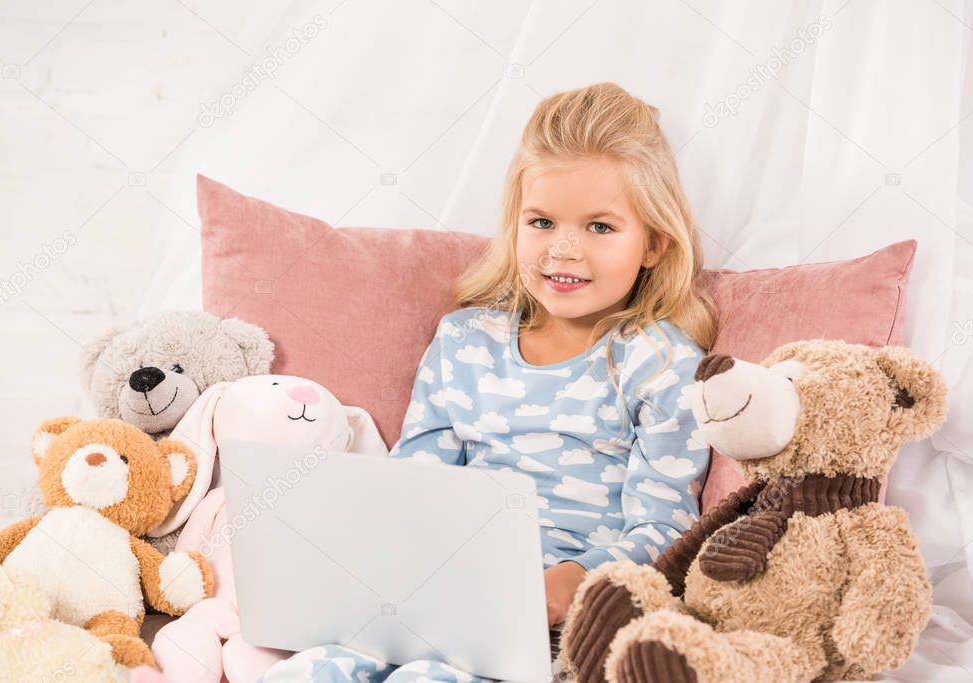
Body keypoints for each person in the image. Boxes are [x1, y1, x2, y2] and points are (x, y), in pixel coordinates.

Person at [262, 81, 717, 683]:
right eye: (543, 221)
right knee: (310, 669)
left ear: (655, 242)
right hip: (435, 590)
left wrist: (571, 581)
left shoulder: (660, 363)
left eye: (600, 228)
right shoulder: (464, 342)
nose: (564, 249)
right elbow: (414, 480)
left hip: (562, 618)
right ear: (515, 225)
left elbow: (666, 531)